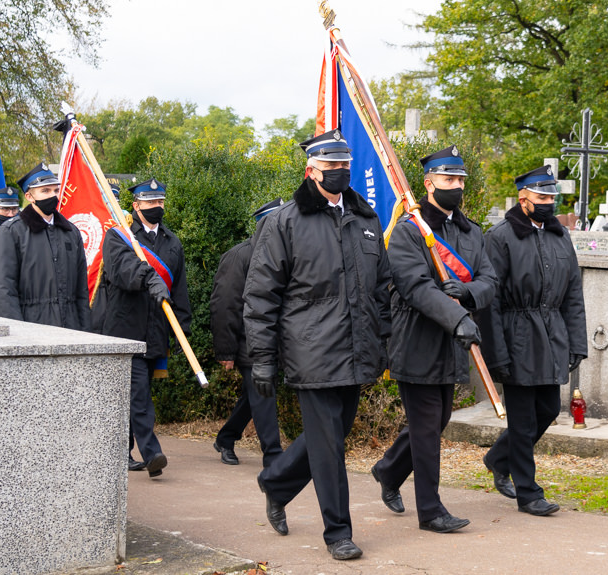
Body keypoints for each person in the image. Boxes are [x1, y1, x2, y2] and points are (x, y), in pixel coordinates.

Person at [245, 129, 391, 561]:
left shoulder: (366, 220)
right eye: (331, 167)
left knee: (330, 435)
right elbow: (261, 296)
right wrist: (263, 360)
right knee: (329, 444)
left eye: (345, 166)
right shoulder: (285, 222)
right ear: (311, 170)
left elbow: (381, 289)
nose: (340, 173)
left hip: (356, 349)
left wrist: (382, 341)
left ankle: (276, 482)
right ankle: (338, 532)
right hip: (311, 351)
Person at [370, 145, 497, 533]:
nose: (456, 186)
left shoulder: (471, 232)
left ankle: (388, 472)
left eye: (460, 180)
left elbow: (490, 280)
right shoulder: (409, 232)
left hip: (453, 344)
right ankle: (431, 510)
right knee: (427, 427)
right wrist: (457, 316)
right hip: (418, 340)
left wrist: (468, 293)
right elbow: (415, 288)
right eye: (448, 179)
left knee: (436, 421)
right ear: (428, 184)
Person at [474, 165, 586, 516]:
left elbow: (573, 293)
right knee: (522, 421)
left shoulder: (559, 236)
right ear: (523, 199)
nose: (548, 204)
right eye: (541, 197)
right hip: (516, 333)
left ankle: (497, 457)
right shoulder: (500, 237)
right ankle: (528, 492)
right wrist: (496, 353)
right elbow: (488, 298)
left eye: (552, 197)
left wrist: (577, 342)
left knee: (549, 409)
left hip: (551, 332)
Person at [98, 178, 192, 478]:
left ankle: (119, 451)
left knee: (135, 394)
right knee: (139, 396)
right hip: (126, 330)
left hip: (155, 332)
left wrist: (183, 328)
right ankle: (152, 454)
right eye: (150, 203)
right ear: (136, 206)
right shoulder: (119, 237)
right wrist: (148, 277)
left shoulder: (171, 241)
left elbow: (179, 288)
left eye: (160, 202)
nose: (156, 207)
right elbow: (122, 272)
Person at [210, 199, 284, 467]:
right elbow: (224, 306)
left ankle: (226, 438)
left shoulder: (283, 256)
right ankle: (274, 457)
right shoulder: (239, 256)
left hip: (273, 341)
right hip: (248, 342)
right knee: (263, 395)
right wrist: (226, 351)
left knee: (253, 395)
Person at [0, 163, 90, 331]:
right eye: (45, 191)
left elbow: (81, 290)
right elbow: (2, 290)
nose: (52, 196)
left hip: (71, 329)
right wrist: (18, 333)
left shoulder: (71, 232)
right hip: (32, 328)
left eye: (55, 190)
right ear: (29, 196)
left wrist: (87, 332)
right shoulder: (11, 233)